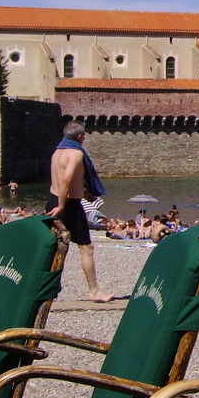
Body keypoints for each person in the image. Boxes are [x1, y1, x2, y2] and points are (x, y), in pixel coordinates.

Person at [46, 121, 115, 303]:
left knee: (53, 247)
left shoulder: (57, 152)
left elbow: (62, 179)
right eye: (83, 136)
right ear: (79, 137)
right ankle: (94, 291)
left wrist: (84, 194)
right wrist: (62, 205)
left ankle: (43, 288)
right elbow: (67, 178)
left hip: (52, 199)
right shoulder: (76, 153)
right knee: (86, 248)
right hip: (68, 204)